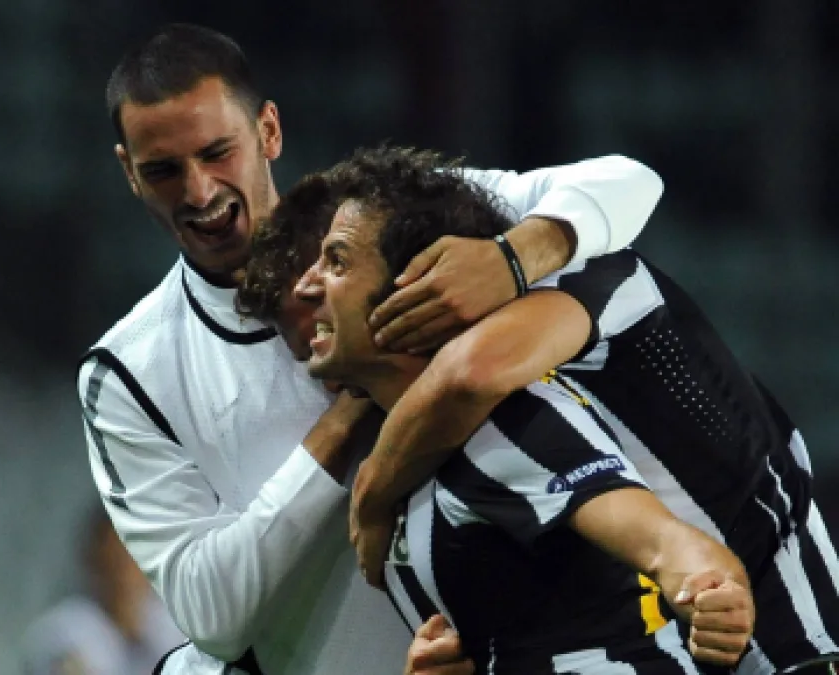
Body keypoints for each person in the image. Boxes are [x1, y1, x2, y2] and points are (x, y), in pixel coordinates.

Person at [81, 23, 664, 675]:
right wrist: (358, 404)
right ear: (129, 172)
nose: (199, 192)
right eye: (162, 170)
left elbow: (629, 182)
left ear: (268, 131)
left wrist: (514, 258)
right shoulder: (127, 371)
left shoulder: (390, 222)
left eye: (218, 152)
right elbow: (212, 615)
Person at [239, 147, 839, 674]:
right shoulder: (434, 449)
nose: (310, 293)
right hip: (696, 619)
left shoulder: (580, 292)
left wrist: (373, 490)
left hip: (785, 611)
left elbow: (469, 374)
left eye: (335, 262)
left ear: (417, 280)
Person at [21, 506, 185, 675]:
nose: (125, 573)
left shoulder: (174, 625)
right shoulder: (62, 632)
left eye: (132, 558)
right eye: (115, 560)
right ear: (93, 561)